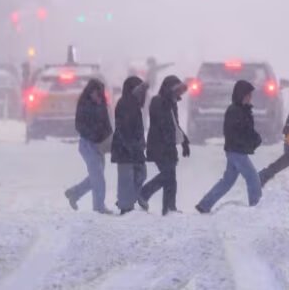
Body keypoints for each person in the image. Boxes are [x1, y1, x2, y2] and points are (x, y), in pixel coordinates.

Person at [196, 80, 264, 213]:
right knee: (253, 178)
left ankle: (204, 204)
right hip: (236, 151)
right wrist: (250, 141)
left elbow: (247, 130)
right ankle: (257, 207)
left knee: (227, 181)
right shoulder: (235, 111)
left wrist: (255, 139)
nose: (250, 97)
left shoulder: (243, 110)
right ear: (241, 95)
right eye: (247, 95)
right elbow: (236, 132)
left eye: (250, 95)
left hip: (235, 151)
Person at [141, 75, 189, 216]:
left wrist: (184, 141)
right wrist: (171, 139)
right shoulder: (158, 102)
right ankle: (144, 193)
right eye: (177, 90)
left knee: (171, 177)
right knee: (167, 175)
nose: (179, 94)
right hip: (158, 146)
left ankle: (169, 207)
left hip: (169, 146)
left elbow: (175, 125)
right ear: (169, 89)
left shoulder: (172, 103)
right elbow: (162, 125)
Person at [65, 79, 113, 214]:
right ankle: (99, 207)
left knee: (95, 176)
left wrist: (109, 138)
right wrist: (93, 135)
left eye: (99, 93)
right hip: (88, 144)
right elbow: (79, 126)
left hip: (100, 145)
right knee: (98, 177)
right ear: (90, 91)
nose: (97, 95)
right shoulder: (84, 105)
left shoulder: (102, 103)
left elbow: (106, 123)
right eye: (95, 93)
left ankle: (74, 193)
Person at [111, 76, 149, 214]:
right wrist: (132, 146)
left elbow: (136, 128)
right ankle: (125, 206)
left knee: (140, 174)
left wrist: (140, 144)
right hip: (125, 148)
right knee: (126, 178)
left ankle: (126, 200)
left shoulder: (133, 104)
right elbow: (125, 129)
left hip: (133, 147)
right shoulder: (126, 104)